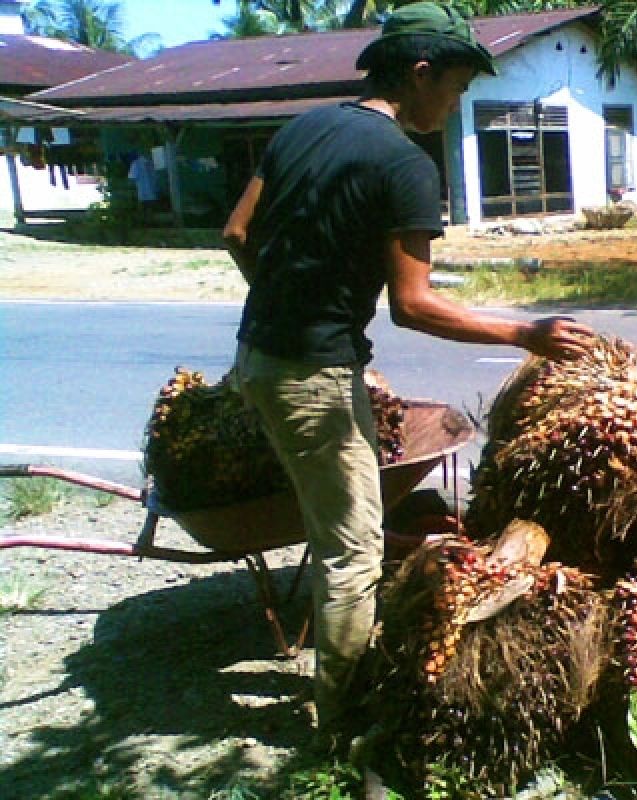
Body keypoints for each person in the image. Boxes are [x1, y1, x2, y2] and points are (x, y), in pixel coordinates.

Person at [221, 0, 593, 754]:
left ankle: (354, 681)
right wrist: (526, 331)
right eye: (455, 88)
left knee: (344, 519)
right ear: (421, 74)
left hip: (261, 357)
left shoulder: (303, 128)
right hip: (311, 375)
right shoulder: (402, 162)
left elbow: (235, 231)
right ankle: (346, 731)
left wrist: (289, 302)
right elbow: (414, 305)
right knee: (352, 551)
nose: (456, 104)